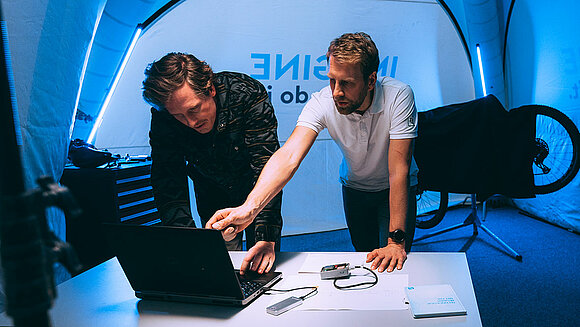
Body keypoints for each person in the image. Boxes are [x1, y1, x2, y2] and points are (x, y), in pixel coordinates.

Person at [207, 32, 418, 273]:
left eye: (347, 83)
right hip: (355, 187)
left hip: (395, 188)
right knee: (365, 257)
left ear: (370, 81)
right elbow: (289, 156)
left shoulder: (399, 95)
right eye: (332, 80)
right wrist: (249, 209)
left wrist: (396, 241)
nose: (336, 91)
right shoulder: (323, 101)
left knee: (392, 260)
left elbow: (398, 170)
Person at [142, 52, 282, 274]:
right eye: (179, 116)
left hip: (256, 192)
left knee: (260, 270)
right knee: (216, 272)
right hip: (210, 193)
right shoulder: (164, 116)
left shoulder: (246, 94)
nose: (190, 122)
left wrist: (267, 238)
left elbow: (268, 166)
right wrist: (186, 239)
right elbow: (168, 180)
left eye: (194, 109)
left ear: (210, 89)